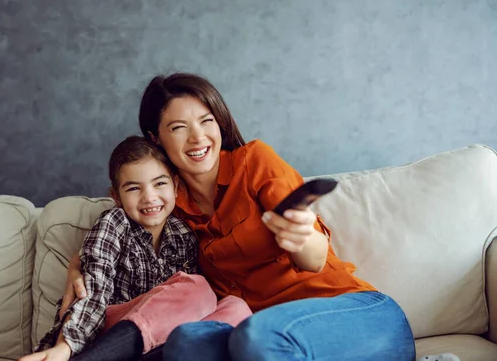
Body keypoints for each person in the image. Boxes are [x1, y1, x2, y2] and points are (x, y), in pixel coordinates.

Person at [61, 74, 459, 361]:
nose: (198, 138)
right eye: (179, 128)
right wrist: (76, 265)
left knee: (257, 336)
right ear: (155, 138)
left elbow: (315, 258)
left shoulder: (255, 162)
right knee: (186, 344)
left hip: (355, 315)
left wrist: (301, 233)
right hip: (263, 339)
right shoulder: (166, 205)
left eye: (206, 122)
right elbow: (121, 233)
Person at [19, 135, 251, 361]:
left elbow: (187, 309)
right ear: (117, 197)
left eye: (159, 183)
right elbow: (93, 290)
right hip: (107, 331)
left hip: (160, 340)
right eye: (133, 189)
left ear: (176, 187)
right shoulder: (114, 222)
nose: (149, 197)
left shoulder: (184, 235)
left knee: (236, 307)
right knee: (197, 288)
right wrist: (64, 348)